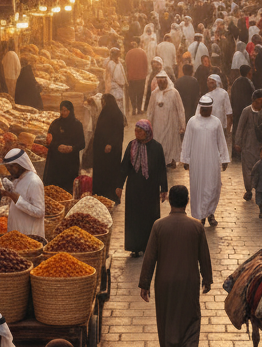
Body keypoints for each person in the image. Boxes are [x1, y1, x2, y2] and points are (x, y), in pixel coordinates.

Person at [138, 184, 213, 347]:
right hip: (189, 281)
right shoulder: (196, 226)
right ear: (187, 201)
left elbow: (150, 257)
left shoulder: (159, 226)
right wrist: (207, 278)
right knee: (190, 317)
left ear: (170, 201)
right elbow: (203, 256)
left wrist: (144, 283)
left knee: (168, 320)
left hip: (165, 281)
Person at [117, 120, 169, 256]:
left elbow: (161, 169)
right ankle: (134, 246)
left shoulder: (157, 147)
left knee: (149, 216)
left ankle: (149, 246)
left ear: (147, 132)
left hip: (150, 188)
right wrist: (119, 186)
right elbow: (124, 167)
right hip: (134, 187)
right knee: (134, 217)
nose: (137, 134)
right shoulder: (131, 145)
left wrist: (164, 188)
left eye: (140, 131)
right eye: (136, 131)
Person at [181, 96, 229, 227]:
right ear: (200, 108)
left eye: (208, 109)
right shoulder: (192, 121)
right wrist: (185, 159)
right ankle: (200, 215)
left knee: (213, 186)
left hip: (212, 159)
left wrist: (224, 159)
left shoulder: (216, 122)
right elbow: (187, 141)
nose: (206, 111)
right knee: (198, 187)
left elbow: (221, 141)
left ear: (211, 109)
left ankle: (210, 213)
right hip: (196, 161)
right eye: (204, 109)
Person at [234, 89, 262, 203]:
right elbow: (240, 127)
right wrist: (238, 142)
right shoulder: (246, 111)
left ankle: (260, 190)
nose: (260, 104)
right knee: (248, 169)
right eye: (258, 102)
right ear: (253, 100)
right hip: (248, 144)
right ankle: (249, 190)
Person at [0, 148, 46, 237]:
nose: (9, 172)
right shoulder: (19, 179)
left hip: (29, 235)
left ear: (19, 165)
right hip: (17, 233)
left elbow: (40, 212)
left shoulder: (34, 181)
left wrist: (17, 199)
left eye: (11, 168)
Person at [146, 71, 186, 168]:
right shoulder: (154, 94)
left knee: (170, 142)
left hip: (171, 123)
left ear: (166, 81)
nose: (160, 84)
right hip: (157, 124)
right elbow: (150, 110)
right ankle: (160, 161)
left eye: (162, 82)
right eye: (158, 82)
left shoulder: (174, 93)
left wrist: (182, 125)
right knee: (158, 141)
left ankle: (170, 160)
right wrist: (148, 124)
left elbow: (180, 109)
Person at [44, 100, 85, 191]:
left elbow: (82, 143)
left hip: (70, 163)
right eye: (61, 110)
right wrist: (57, 146)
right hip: (56, 162)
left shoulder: (77, 125)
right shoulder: (55, 124)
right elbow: (48, 142)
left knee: (67, 189)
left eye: (65, 110)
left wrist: (72, 148)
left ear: (70, 111)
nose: (63, 113)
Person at [92, 93, 125, 200]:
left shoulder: (116, 114)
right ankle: (100, 194)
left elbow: (118, 132)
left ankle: (110, 195)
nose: (102, 103)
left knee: (110, 172)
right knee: (101, 171)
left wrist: (111, 143)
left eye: (104, 101)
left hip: (111, 150)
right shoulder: (104, 112)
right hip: (101, 149)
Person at [229, 64, 255, 142]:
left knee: (236, 130)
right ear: (248, 73)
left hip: (236, 112)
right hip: (246, 112)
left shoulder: (235, 82)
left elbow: (232, 97)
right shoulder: (249, 82)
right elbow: (253, 97)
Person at [125, 40, 149, 114]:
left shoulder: (129, 53)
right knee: (140, 93)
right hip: (141, 77)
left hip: (131, 76)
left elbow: (126, 65)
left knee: (132, 93)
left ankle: (134, 109)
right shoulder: (143, 52)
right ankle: (139, 109)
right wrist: (145, 73)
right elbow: (146, 64)